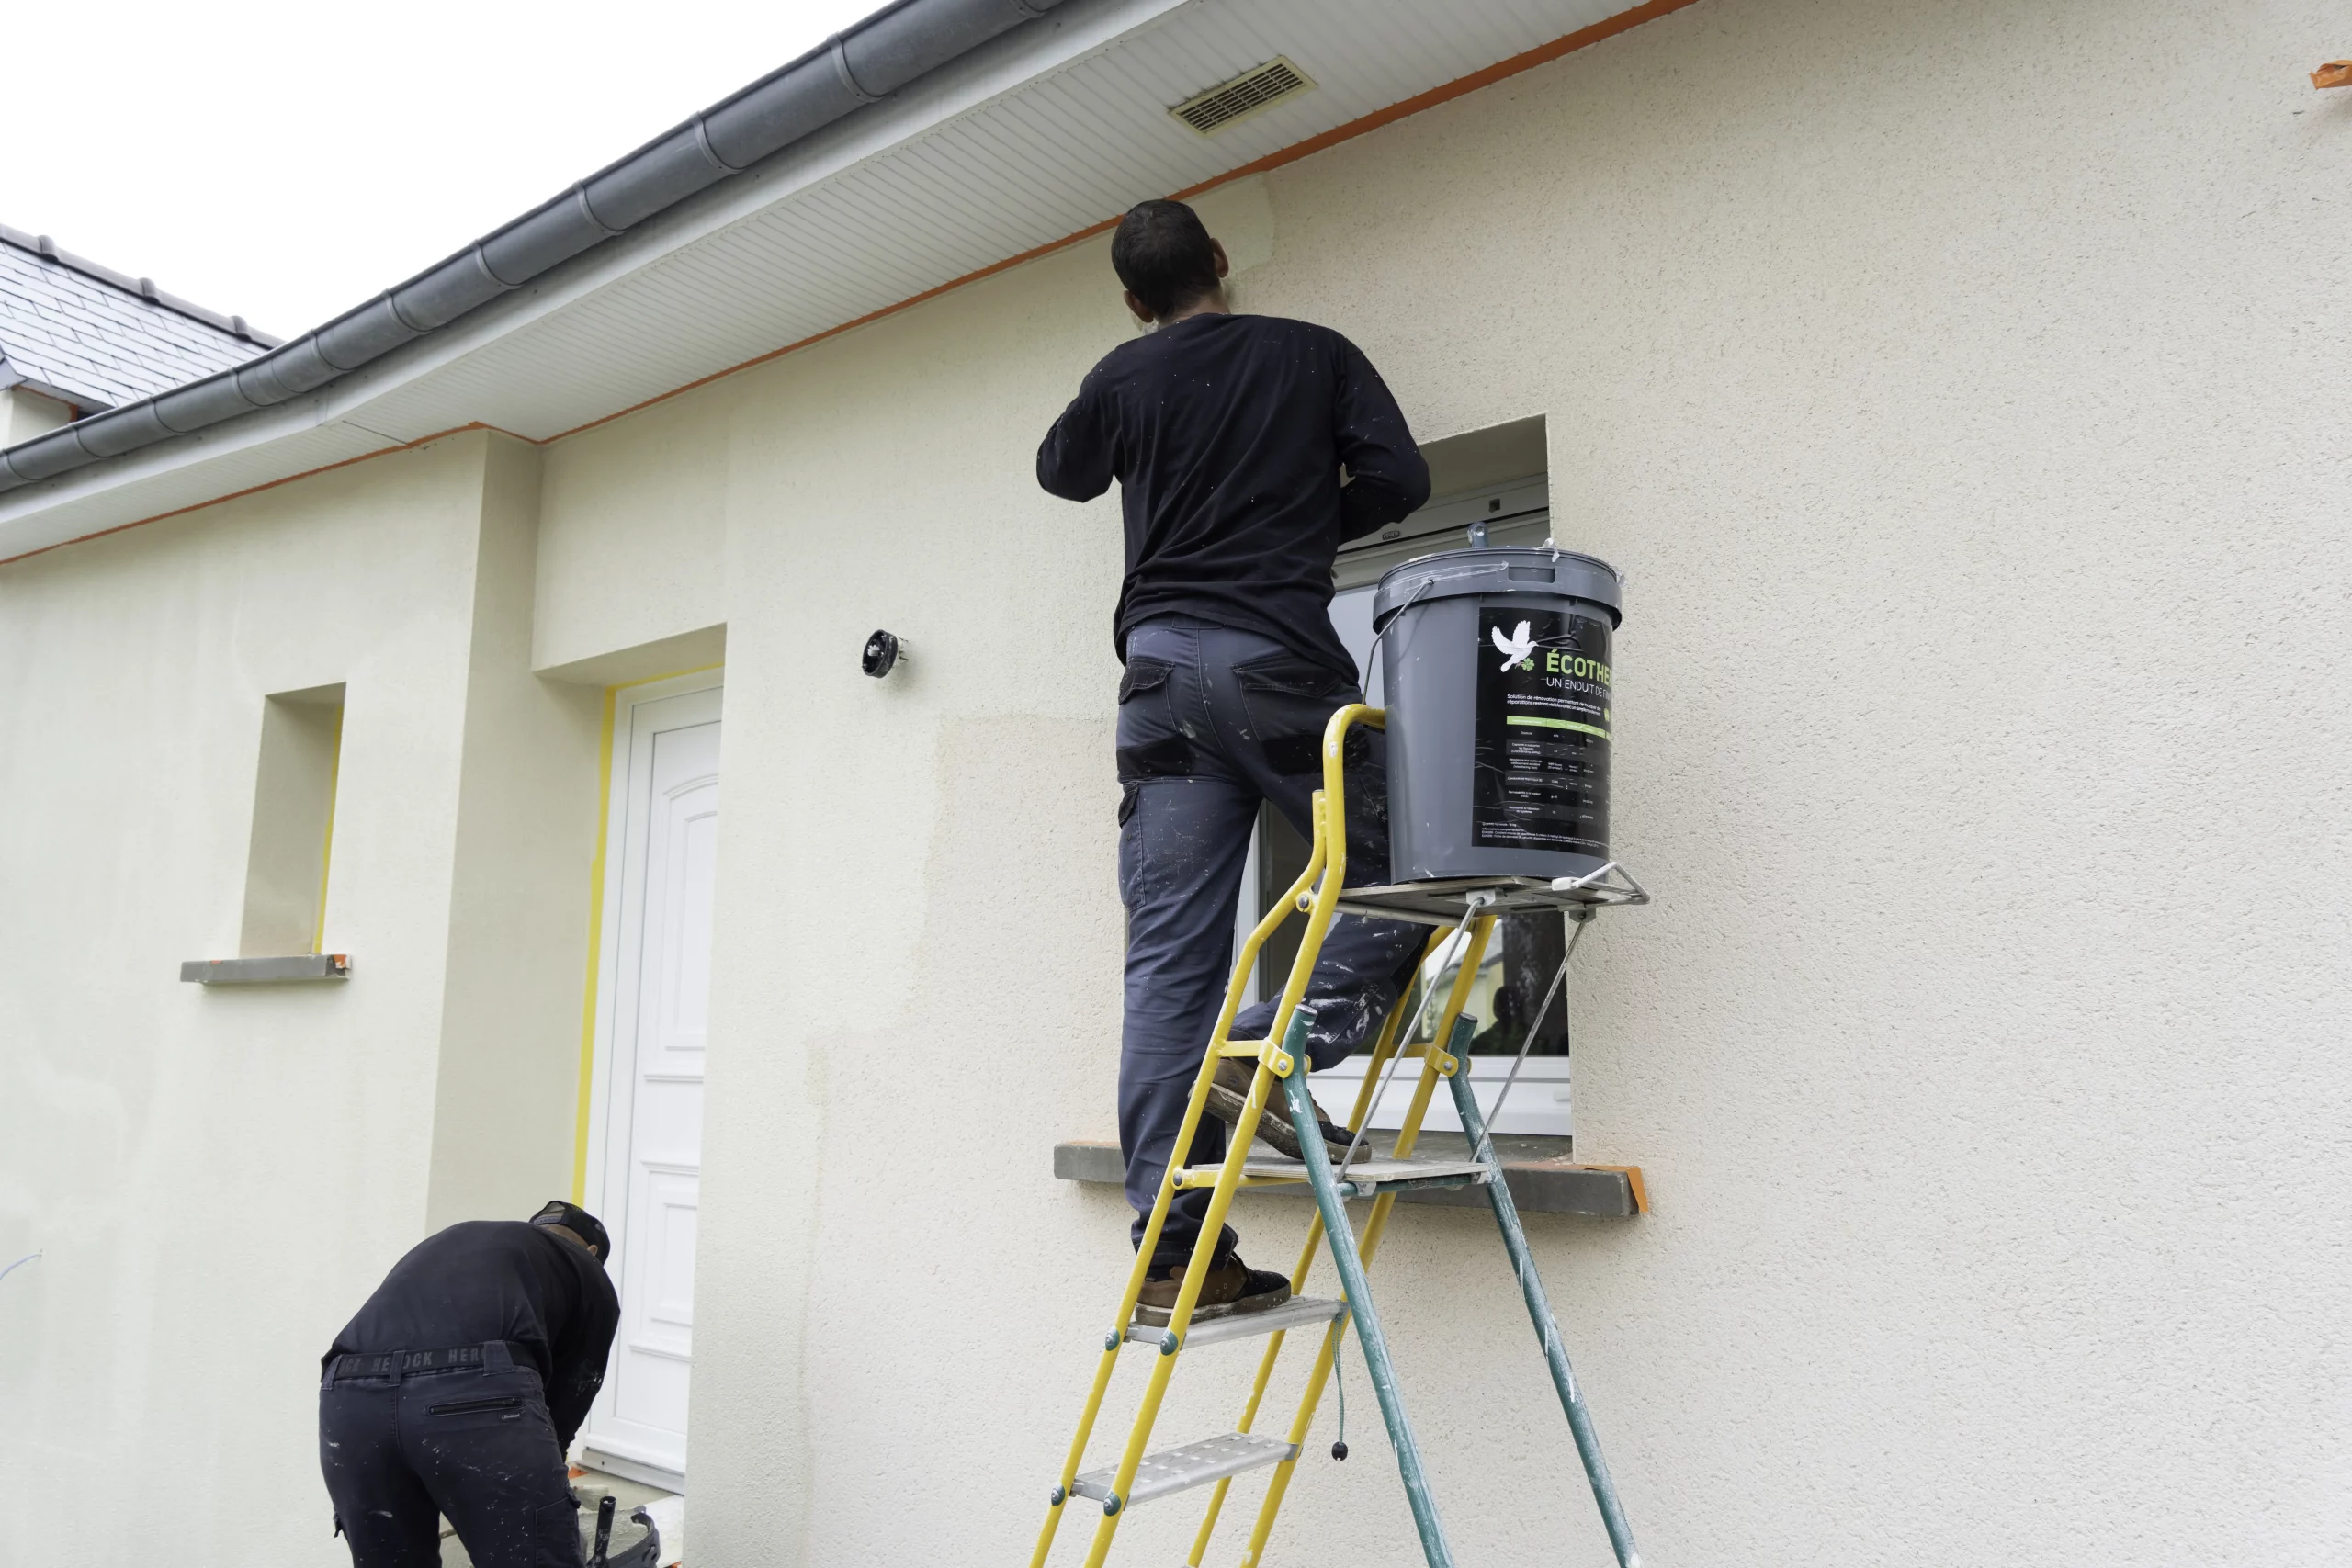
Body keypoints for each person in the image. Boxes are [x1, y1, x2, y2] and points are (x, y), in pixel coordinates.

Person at [1037, 198, 1431, 1325]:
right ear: (1219, 261)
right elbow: (1400, 481)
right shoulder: (1313, 353)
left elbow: (1062, 471)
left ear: (1132, 299)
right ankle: (1271, 1045)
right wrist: (1303, 523)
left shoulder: (1121, 374)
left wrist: (1129, 395)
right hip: (1276, 670)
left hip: (1159, 684)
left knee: (1167, 967)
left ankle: (1176, 1261)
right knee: (1415, 858)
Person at [319, 1201, 620, 1567]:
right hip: (473, 1389)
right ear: (592, 1251)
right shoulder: (585, 1267)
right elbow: (571, 1394)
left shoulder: (464, 1240)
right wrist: (549, 1487)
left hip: (349, 1397)